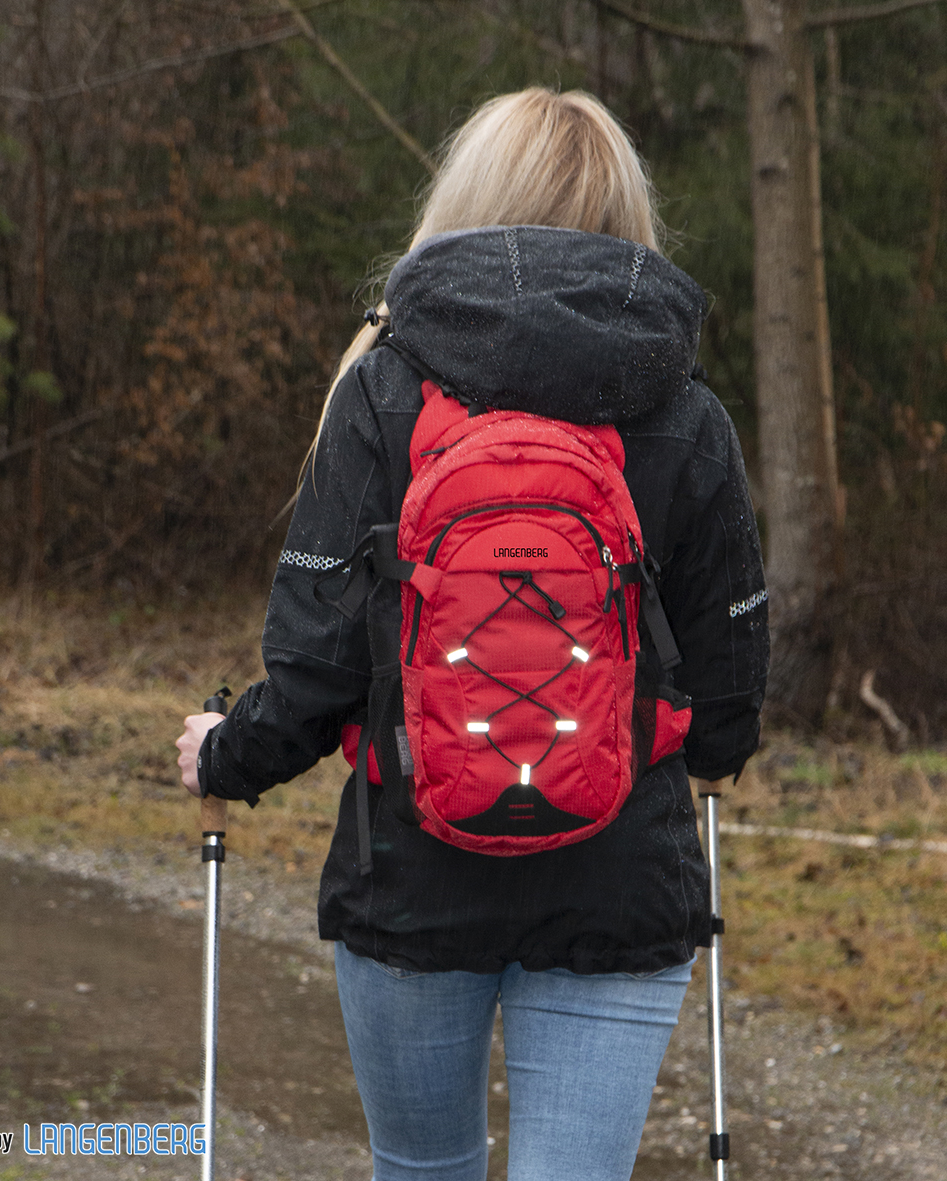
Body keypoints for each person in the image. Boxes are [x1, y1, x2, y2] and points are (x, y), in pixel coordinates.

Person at [177, 87, 768, 1181]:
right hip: (620, 884)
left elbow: (313, 670)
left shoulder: (381, 390)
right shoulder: (682, 407)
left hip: (409, 882)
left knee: (422, 1166)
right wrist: (713, 751)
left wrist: (225, 752)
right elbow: (729, 688)